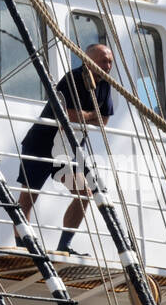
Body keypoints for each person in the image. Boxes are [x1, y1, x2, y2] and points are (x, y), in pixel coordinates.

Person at [15, 44, 114, 255]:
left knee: (84, 194)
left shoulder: (105, 85)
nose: (108, 66)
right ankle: (23, 245)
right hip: (41, 144)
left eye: (110, 61)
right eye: (103, 60)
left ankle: (64, 245)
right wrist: (90, 115)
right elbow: (68, 115)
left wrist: (83, 115)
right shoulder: (72, 79)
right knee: (29, 196)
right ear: (88, 61)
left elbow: (103, 120)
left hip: (67, 150)